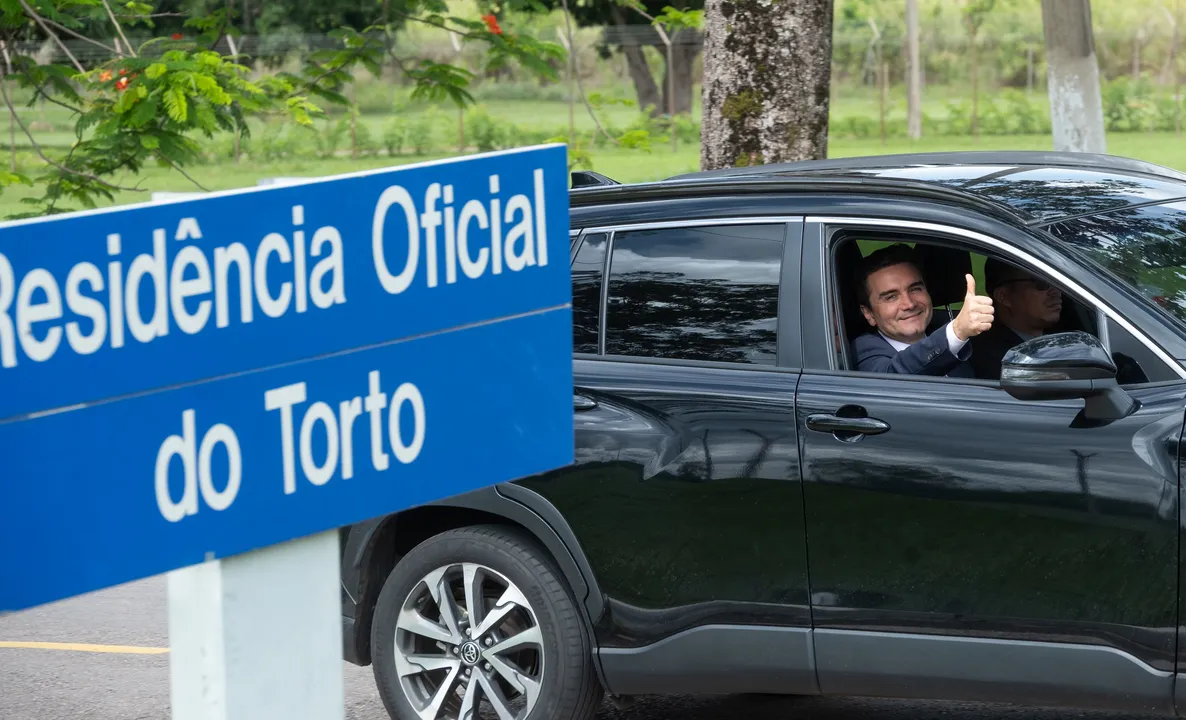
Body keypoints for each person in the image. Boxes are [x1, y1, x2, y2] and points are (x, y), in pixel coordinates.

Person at [852, 243, 994, 377]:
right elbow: (893, 378)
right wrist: (957, 331)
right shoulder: (864, 349)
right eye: (891, 297)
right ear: (868, 313)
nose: (909, 304)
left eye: (915, 289)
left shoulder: (941, 330)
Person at [969, 259, 1062, 380]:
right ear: (1003, 296)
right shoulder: (993, 358)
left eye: (1058, 282)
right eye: (1041, 283)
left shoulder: (1064, 337)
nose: (1056, 292)